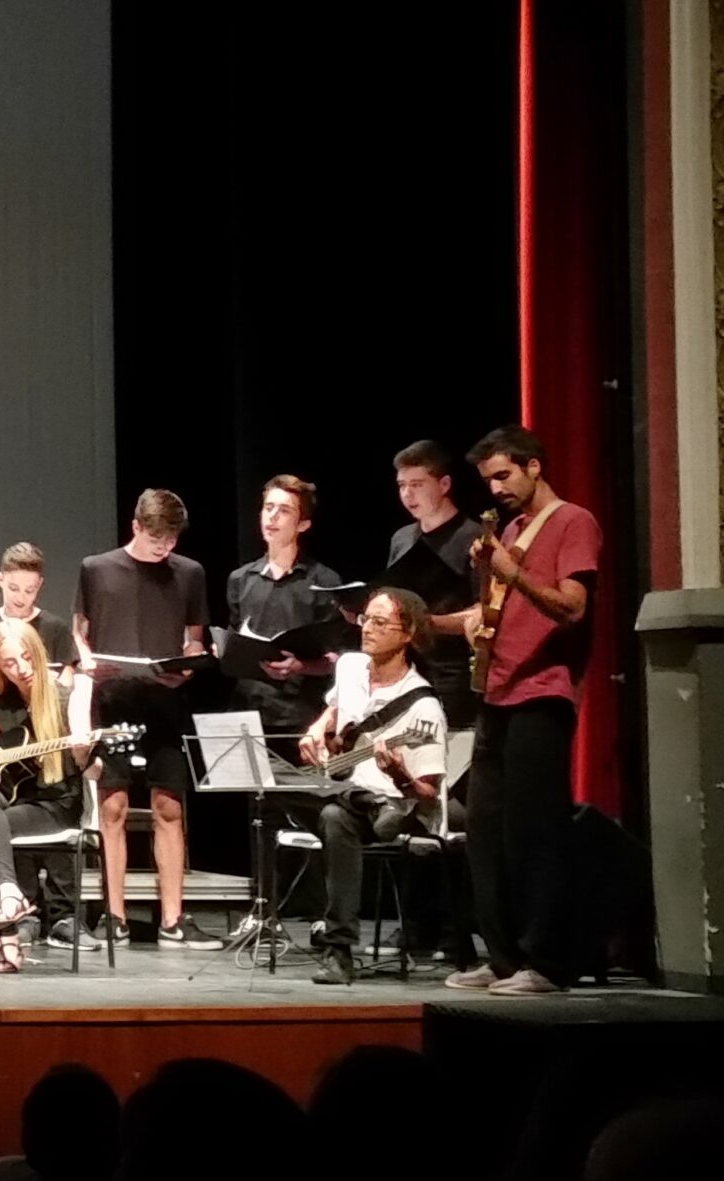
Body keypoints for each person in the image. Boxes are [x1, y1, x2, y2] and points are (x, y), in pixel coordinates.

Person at [449, 424, 601, 996]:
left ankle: (547, 962)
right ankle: (505, 957)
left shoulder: (572, 521)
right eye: (488, 480)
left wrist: (515, 573)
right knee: (484, 831)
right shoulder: (508, 529)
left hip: (543, 691)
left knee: (533, 833)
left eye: (503, 475)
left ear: (534, 466)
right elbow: (498, 608)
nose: (495, 489)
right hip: (497, 690)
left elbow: (572, 607)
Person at [73, 488, 220, 948]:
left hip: (164, 699)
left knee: (169, 807)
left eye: (171, 541)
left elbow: (194, 640)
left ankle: (172, 919)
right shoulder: (97, 568)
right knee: (112, 807)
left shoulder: (189, 573)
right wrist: (86, 662)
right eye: (156, 539)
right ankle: (114, 915)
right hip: (114, 698)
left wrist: (189, 664)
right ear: (136, 527)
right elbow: (80, 633)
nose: (164, 548)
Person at [296, 588, 447, 985]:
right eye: (367, 619)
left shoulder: (422, 706)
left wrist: (399, 776)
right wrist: (318, 728)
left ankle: (338, 949)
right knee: (307, 800)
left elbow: (428, 795)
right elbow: (338, 706)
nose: (369, 629)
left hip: (400, 808)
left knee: (333, 812)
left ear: (408, 634)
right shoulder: (349, 666)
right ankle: (339, 949)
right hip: (353, 794)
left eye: (382, 622)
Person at [0, 617, 97, 967]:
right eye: (9, 663)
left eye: (26, 657)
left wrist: (83, 751)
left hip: (56, 805)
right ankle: (11, 896)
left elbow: (94, 769)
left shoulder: (68, 695)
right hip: (15, 802)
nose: (21, 668)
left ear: (37, 652)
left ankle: (7, 934)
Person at [222, 474, 344, 753]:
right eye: (269, 508)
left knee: (301, 795)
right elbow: (234, 642)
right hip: (249, 712)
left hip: (300, 715)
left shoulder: (323, 580)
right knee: (255, 797)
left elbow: (339, 658)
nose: (273, 517)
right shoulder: (241, 579)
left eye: (284, 510)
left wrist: (302, 666)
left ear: (303, 524)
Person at [387, 440, 484, 727]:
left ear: (444, 484)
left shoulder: (473, 537)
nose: (407, 494)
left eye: (417, 484)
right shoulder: (402, 539)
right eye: (402, 485)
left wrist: (429, 622)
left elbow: (486, 610)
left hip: (455, 672)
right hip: (408, 669)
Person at [0, 542, 82, 696]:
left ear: (39, 585)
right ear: (0, 579)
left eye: (29, 591)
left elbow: (67, 685)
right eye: (14, 588)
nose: (20, 598)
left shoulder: (56, 628)